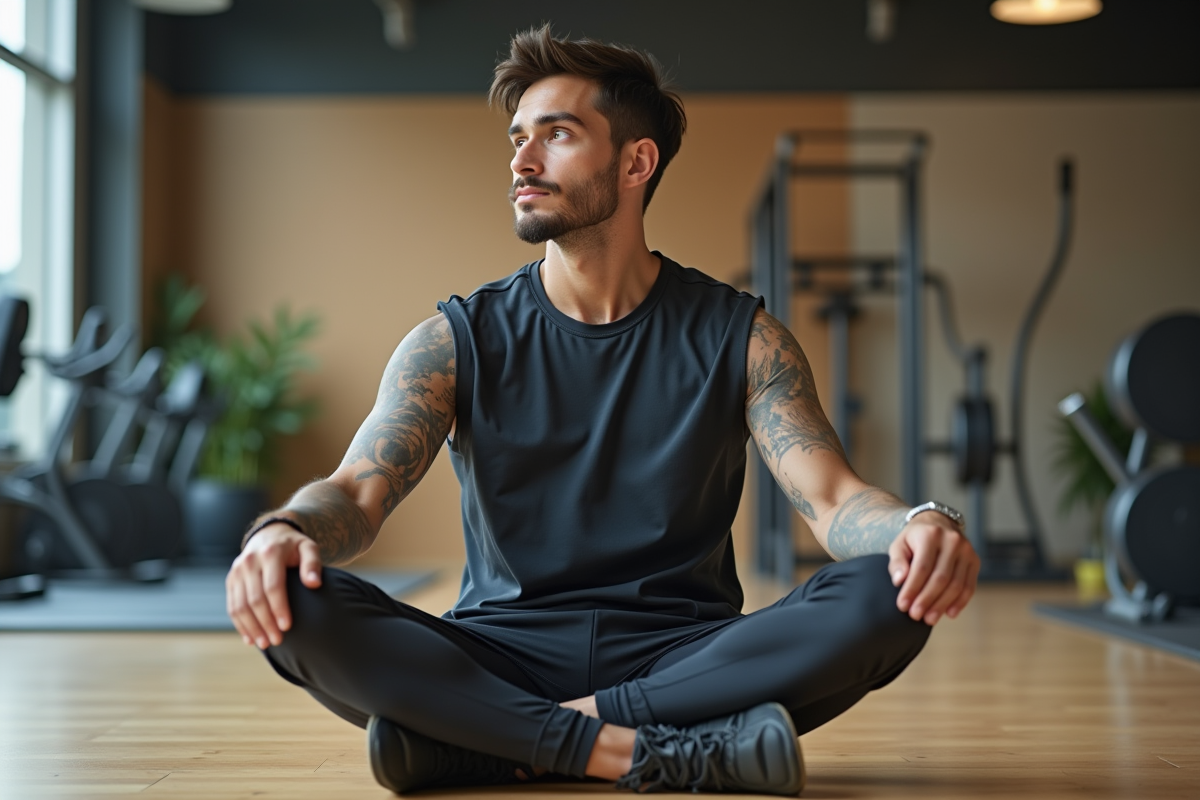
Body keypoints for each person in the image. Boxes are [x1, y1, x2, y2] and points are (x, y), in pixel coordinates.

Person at [225, 25, 980, 796]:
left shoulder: (743, 338)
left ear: (635, 162)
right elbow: (356, 492)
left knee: (893, 585)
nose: (521, 161)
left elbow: (832, 499)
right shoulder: (452, 342)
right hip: (497, 655)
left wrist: (920, 525)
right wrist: (283, 532)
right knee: (287, 591)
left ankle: (491, 741)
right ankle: (641, 752)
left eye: (555, 135)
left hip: (687, 659)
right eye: (518, 138)